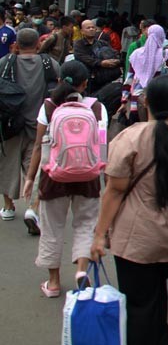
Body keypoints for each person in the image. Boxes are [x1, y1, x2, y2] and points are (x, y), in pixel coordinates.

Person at [91, 76, 168, 345]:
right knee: (156, 299)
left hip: (136, 236)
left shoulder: (128, 138)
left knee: (139, 306)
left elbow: (115, 190)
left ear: (146, 102)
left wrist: (100, 234)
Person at [22, 61, 105, 297]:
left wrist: (30, 179)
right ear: (85, 83)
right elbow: (102, 147)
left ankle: (54, 283)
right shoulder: (97, 108)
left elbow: (38, 145)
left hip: (53, 176)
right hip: (88, 177)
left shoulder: (48, 107)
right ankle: (81, 272)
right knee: (86, 225)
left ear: (59, 81)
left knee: (52, 228)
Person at [0, 29, 60, 222]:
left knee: (7, 165)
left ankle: (8, 206)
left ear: (16, 45)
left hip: (10, 125)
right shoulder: (50, 64)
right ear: (37, 45)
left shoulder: (5, 63)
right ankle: (33, 208)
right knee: (37, 166)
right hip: (40, 125)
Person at [121, 24, 168, 123]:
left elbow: (129, 79)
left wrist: (124, 100)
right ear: (162, 36)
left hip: (136, 103)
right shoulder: (166, 55)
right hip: (159, 102)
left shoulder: (136, 55)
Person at [73, 19, 121, 93]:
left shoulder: (102, 43)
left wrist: (116, 60)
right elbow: (84, 58)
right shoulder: (78, 44)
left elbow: (114, 53)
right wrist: (101, 63)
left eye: (93, 27)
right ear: (82, 31)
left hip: (103, 78)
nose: (91, 29)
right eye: (88, 28)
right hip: (86, 79)